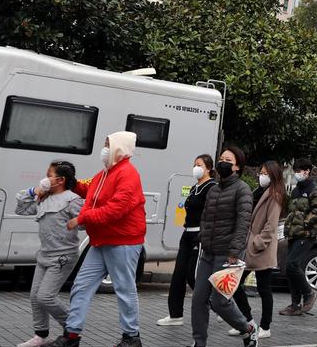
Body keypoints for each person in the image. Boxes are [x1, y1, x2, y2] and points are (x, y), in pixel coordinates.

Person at [50, 132, 146, 347]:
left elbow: (116, 209)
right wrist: (72, 181)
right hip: (101, 240)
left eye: (108, 145)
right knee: (81, 286)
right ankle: (72, 335)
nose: (104, 149)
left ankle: (132, 337)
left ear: (119, 148)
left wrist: (82, 218)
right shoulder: (105, 173)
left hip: (123, 241)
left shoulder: (128, 174)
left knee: (124, 289)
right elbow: (89, 189)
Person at [190, 146, 258, 347]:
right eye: (221, 159)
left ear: (237, 167)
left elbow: (243, 224)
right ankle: (199, 342)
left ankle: (248, 329)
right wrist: (202, 237)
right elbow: (205, 218)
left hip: (227, 255)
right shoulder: (213, 189)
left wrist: (234, 252)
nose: (223, 163)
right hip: (208, 252)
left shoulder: (243, 190)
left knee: (220, 302)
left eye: (228, 160)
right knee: (198, 299)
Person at [14, 161, 84, 347]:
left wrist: (79, 219)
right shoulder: (43, 198)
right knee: (35, 297)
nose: (45, 179)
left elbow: (84, 224)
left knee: (45, 297)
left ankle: (72, 329)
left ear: (60, 180)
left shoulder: (73, 200)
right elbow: (20, 209)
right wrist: (33, 192)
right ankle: (41, 335)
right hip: (44, 255)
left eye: (49, 175)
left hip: (63, 257)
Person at [158, 155, 217, 327]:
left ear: (208, 168)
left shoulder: (212, 187)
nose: (196, 168)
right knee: (178, 275)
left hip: (199, 235)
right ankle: (175, 315)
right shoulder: (194, 188)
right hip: (187, 234)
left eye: (199, 165)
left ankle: (219, 305)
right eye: (194, 165)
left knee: (193, 276)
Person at [234, 161, 286, 339]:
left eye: (265, 173)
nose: (261, 176)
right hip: (250, 247)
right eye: (261, 173)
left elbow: (271, 225)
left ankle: (265, 326)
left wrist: (257, 242)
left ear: (273, 176)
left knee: (264, 289)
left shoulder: (275, 195)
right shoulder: (259, 191)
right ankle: (246, 321)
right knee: (235, 285)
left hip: (261, 249)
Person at [280, 158, 317, 316]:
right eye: (295, 171)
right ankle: (295, 304)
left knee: (292, 264)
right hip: (293, 233)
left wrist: (304, 224)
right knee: (289, 268)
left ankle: (309, 293)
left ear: (307, 171)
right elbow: (291, 212)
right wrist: (288, 229)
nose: (296, 174)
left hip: (306, 234)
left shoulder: (315, 190)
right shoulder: (296, 190)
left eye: (299, 171)